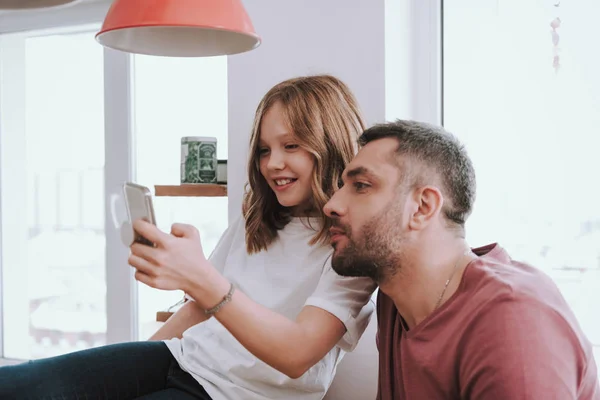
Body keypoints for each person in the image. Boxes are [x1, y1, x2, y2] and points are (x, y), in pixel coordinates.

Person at [0, 75, 376, 400]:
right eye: (264, 150)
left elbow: (297, 355)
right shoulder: (257, 221)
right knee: (17, 384)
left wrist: (200, 278)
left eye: (290, 145)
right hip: (179, 358)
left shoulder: (352, 248)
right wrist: (124, 371)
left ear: (328, 144)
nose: (272, 163)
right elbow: (199, 308)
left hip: (234, 394)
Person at [323, 119, 600, 399]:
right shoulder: (396, 302)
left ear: (422, 207)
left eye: (361, 185)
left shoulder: (511, 320)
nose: (331, 204)